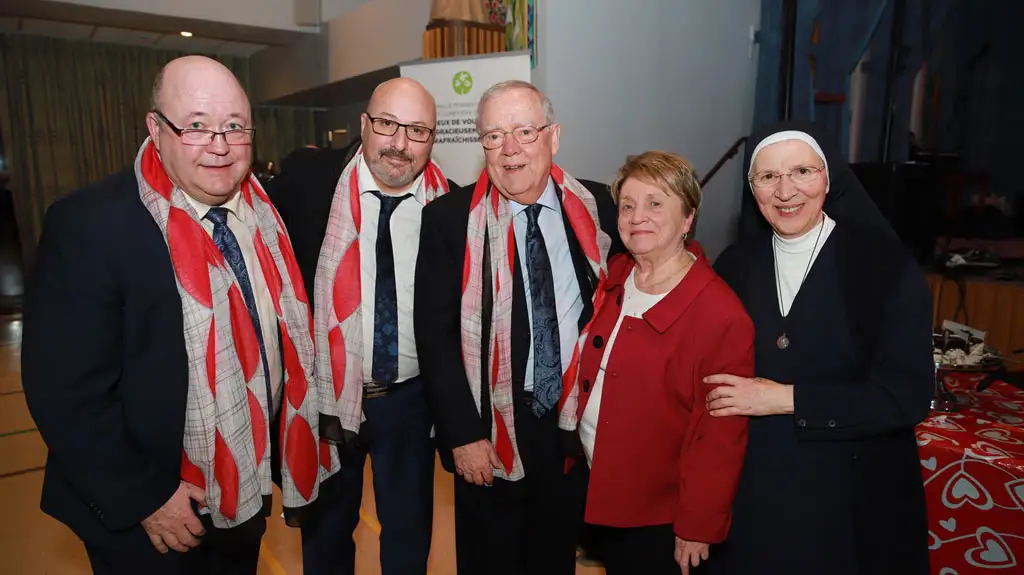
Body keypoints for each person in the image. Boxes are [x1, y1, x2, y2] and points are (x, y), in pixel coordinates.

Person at [20, 55, 333, 575]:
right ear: (155, 128)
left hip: (243, 494)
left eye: (234, 127)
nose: (219, 145)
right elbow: (64, 392)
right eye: (196, 126)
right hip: (154, 517)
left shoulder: (266, 216)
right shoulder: (91, 225)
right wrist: (146, 499)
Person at [415, 79, 625, 575]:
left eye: (524, 132)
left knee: (555, 556)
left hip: (572, 422)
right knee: (491, 559)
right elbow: (436, 337)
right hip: (491, 423)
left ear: (554, 136)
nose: (509, 150)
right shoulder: (448, 219)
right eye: (493, 136)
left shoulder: (601, 208)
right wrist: (463, 435)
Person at [705, 123, 933, 574]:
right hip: (755, 501)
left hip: (851, 502)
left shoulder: (886, 267)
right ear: (753, 189)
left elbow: (907, 396)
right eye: (768, 177)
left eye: (802, 171)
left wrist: (784, 397)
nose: (785, 190)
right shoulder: (735, 264)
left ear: (828, 178)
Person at [268, 77, 456, 575]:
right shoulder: (309, 187)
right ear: (364, 125)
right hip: (328, 395)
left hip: (412, 404)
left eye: (417, 130)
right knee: (327, 540)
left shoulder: (452, 209)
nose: (399, 143)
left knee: (409, 538)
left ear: (434, 139)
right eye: (388, 124)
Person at [560, 151, 752, 574]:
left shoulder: (720, 314)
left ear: (688, 218)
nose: (637, 216)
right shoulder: (617, 274)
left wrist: (698, 524)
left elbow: (719, 433)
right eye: (628, 205)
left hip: (658, 516)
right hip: (600, 487)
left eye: (656, 203)